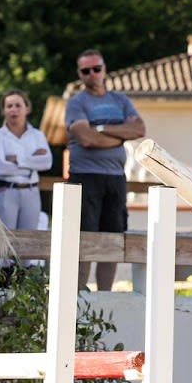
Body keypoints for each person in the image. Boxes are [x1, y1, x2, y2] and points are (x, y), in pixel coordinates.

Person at [66, 48, 145, 290]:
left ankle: (105, 293)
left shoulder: (120, 100)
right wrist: (120, 134)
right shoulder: (76, 102)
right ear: (80, 74)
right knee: (84, 238)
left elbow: (140, 130)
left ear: (104, 69)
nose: (92, 74)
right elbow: (86, 138)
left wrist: (100, 129)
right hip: (85, 177)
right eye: (86, 70)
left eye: (96, 68)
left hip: (115, 178)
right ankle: (78, 292)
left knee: (113, 238)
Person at [0, 89, 52, 278]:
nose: (13, 110)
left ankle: (23, 286)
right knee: (4, 240)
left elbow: (47, 163)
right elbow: (0, 167)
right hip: (6, 190)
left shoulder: (37, 135)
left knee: (27, 241)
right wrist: (32, 162)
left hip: (31, 191)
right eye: (9, 106)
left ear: (27, 108)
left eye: (18, 105)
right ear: (4, 111)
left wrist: (18, 160)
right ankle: (0, 288)